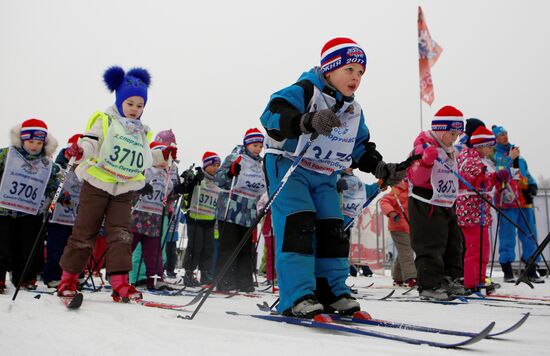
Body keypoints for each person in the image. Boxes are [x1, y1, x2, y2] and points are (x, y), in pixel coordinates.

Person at [260, 37, 406, 318]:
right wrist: (305, 121)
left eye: (360, 72)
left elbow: (359, 147)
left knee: (333, 230)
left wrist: (380, 168)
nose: (356, 78)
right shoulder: (306, 89)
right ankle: (298, 294)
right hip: (289, 165)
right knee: (299, 225)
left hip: (325, 172)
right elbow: (272, 115)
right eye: (349, 69)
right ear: (329, 69)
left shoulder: (352, 109)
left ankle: (331, 290)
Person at [57, 66, 175, 303]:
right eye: (130, 103)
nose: (135, 110)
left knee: (121, 234)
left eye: (140, 105)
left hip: (124, 188)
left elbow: (144, 155)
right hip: (98, 183)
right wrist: (80, 150)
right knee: (85, 231)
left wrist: (163, 156)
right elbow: (92, 141)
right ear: (120, 100)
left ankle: (120, 283)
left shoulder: (140, 130)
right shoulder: (106, 120)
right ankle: (68, 278)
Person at [407, 105, 466, 300]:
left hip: (447, 202)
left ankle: (450, 278)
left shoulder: (450, 149)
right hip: (426, 201)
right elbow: (415, 177)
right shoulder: (423, 145)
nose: (455, 138)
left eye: (458, 134)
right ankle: (429, 284)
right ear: (441, 129)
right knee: (430, 243)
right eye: (452, 133)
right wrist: (425, 162)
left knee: (453, 243)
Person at [0, 118, 59, 293]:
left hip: (30, 212)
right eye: (30, 141)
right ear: (22, 140)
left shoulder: (47, 163)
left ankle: (24, 277)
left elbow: (53, 184)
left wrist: (56, 193)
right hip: (5, 210)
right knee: (2, 245)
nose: (34, 146)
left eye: (39, 142)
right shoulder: (7, 154)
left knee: (28, 247)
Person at [456, 126, 510, 293]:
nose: (491, 149)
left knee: (483, 248)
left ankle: (479, 279)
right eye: (489, 146)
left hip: (480, 211)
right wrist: (492, 178)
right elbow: (477, 182)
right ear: (479, 145)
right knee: (474, 248)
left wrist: (497, 177)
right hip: (470, 210)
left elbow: (484, 181)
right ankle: (471, 283)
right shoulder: (469, 158)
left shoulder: (480, 159)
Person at [215, 128, 266, 293]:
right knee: (228, 246)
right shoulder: (235, 157)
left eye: (260, 146)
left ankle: (244, 281)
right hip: (230, 208)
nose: (258, 149)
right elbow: (219, 180)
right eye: (255, 145)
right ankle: (225, 280)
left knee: (245, 248)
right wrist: (230, 173)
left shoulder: (261, 163)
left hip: (248, 210)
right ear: (247, 144)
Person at [491, 125, 543, 283]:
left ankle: (531, 266)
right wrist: (510, 159)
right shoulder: (494, 155)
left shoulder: (518, 155)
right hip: (507, 200)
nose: (505, 136)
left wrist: (532, 185)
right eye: (501, 134)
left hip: (524, 200)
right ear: (495, 138)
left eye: (506, 133)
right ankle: (507, 268)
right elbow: (497, 172)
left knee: (529, 234)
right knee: (508, 236)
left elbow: (525, 173)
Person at [130, 141, 178, 290]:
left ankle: (155, 279)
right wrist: (139, 186)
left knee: (154, 252)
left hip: (155, 218)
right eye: (164, 159)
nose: (166, 163)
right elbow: (131, 184)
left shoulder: (167, 176)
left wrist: (178, 190)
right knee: (128, 247)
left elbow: (168, 197)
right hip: (137, 215)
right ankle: (120, 276)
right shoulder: (146, 170)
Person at [43, 133, 84, 288]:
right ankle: (53, 275)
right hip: (58, 217)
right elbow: (49, 187)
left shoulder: (87, 172)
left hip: (78, 218)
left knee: (77, 248)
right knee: (56, 247)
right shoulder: (59, 168)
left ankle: (76, 274)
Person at [182, 151, 221, 286]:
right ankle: (189, 273)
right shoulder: (199, 178)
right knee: (195, 247)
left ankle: (205, 273)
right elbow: (188, 187)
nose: (216, 168)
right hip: (195, 218)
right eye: (214, 165)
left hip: (209, 220)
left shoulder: (217, 181)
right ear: (206, 165)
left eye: (218, 165)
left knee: (208, 248)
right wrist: (192, 179)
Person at [336, 168, 378, 278]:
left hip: (347, 223)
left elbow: (365, 191)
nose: (351, 167)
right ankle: (327, 282)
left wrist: (380, 184)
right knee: (331, 254)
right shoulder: (335, 174)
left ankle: (339, 282)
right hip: (331, 220)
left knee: (342, 254)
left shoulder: (353, 179)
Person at [379, 180, 417, 287]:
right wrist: (392, 213)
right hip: (398, 226)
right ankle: (411, 277)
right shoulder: (398, 190)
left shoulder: (414, 190)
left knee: (404, 251)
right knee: (406, 251)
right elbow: (384, 201)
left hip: (410, 227)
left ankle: (398, 277)